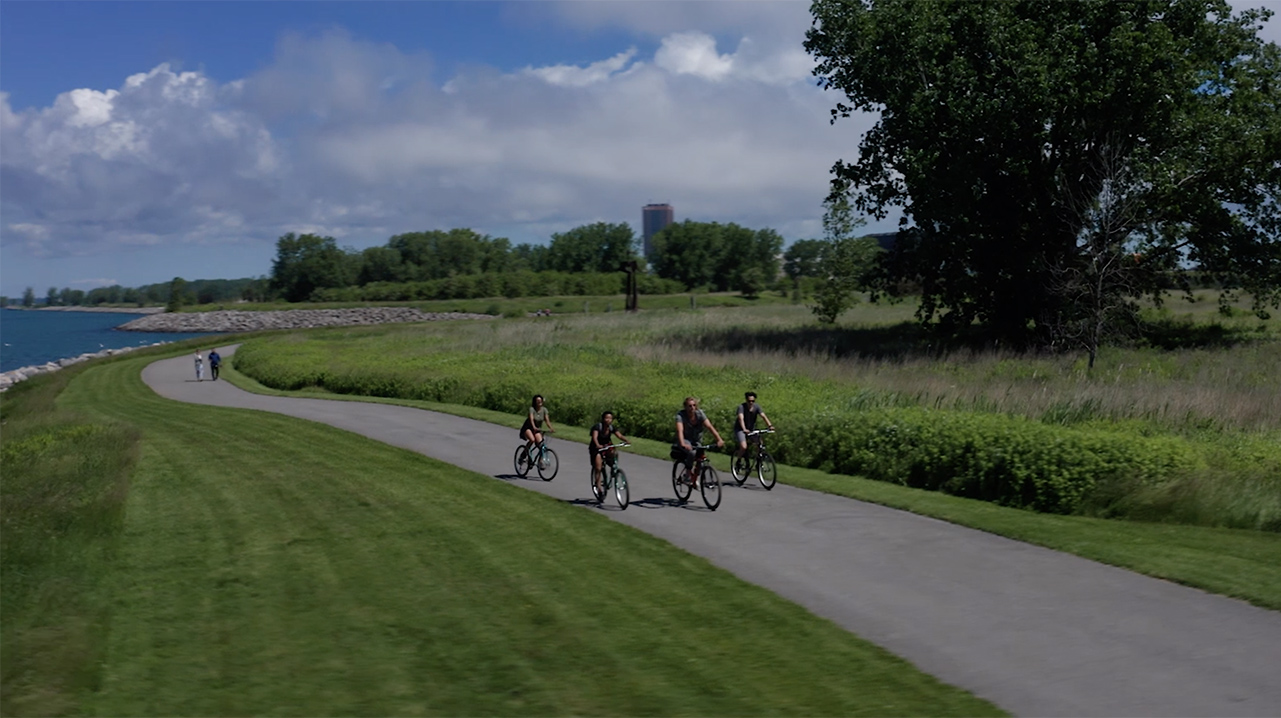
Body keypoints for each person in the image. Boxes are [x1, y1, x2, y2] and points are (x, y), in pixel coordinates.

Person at [673, 396, 724, 485]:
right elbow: (679, 430)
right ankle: (688, 475)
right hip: (685, 440)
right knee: (692, 452)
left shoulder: (700, 414)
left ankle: (696, 476)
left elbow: (710, 427)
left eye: (694, 405)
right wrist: (682, 443)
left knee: (701, 455)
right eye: (689, 406)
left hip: (696, 440)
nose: (692, 408)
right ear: (685, 407)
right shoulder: (681, 415)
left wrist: (719, 439)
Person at [590, 411, 629, 496]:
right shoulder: (597, 427)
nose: (608, 420)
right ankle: (599, 487)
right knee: (598, 467)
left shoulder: (611, 428)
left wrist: (626, 440)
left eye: (610, 418)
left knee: (615, 453)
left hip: (607, 446)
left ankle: (613, 470)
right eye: (606, 418)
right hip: (597, 448)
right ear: (603, 419)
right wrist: (597, 445)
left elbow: (619, 435)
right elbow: (594, 437)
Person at [734, 391, 775, 459]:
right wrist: (744, 429)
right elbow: (741, 418)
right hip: (740, 429)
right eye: (749, 401)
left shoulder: (756, 407)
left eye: (753, 401)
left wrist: (770, 426)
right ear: (746, 400)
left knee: (760, 445)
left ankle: (758, 463)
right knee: (744, 447)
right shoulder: (741, 407)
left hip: (751, 429)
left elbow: (763, 416)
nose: (751, 403)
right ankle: (738, 461)